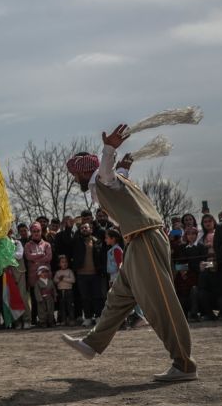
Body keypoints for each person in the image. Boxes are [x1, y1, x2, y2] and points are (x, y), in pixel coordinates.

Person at [61, 127, 197, 382]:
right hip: (137, 240)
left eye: (74, 173)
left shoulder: (100, 179)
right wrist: (123, 164)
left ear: (81, 171)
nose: (73, 178)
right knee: (120, 296)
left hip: (145, 237)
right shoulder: (111, 180)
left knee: (160, 302)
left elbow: (107, 172)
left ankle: (184, 364)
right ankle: (93, 343)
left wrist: (109, 149)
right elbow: (116, 175)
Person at [70, 222, 106, 326]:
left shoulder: (97, 241)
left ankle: (98, 316)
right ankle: (88, 317)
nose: (84, 229)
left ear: (91, 229)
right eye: (82, 228)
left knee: (97, 296)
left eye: (86, 227)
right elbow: (68, 241)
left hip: (95, 274)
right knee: (85, 297)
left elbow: (101, 256)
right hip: (81, 274)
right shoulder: (76, 241)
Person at [53, 256, 76, 326]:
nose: (64, 263)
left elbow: (73, 280)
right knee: (62, 306)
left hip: (69, 291)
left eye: (66, 262)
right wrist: (59, 279)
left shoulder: (69, 271)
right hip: (60, 291)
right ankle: (63, 320)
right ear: (59, 264)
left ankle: (71, 320)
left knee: (70, 306)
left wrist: (64, 279)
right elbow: (55, 281)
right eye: (62, 262)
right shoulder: (58, 272)